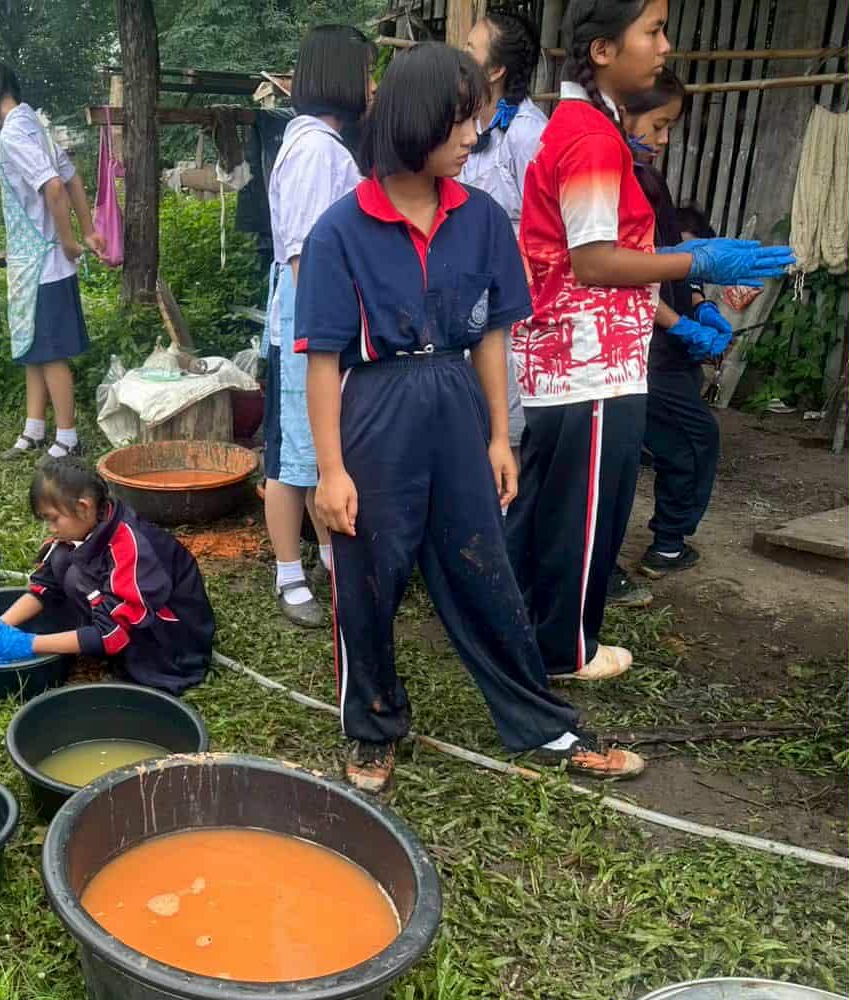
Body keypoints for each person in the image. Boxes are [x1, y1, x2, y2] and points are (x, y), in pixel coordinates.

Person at [295, 43, 635, 793]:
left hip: (455, 400)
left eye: (476, 120)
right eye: (459, 121)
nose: (473, 137)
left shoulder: (480, 217)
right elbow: (321, 361)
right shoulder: (339, 230)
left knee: (484, 569)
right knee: (367, 577)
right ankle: (373, 725)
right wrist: (330, 471)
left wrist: (498, 436)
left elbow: (491, 337)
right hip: (374, 407)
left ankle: (540, 723)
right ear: (415, 121)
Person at [505, 0, 793, 681]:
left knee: (552, 508)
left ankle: (515, 625)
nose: (665, 46)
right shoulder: (591, 138)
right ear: (603, 50)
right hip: (587, 359)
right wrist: (695, 261)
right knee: (585, 515)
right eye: (653, 30)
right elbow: (593, 261)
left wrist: (684, 276)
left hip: (573, 355)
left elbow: (591, 249)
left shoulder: (585, 127)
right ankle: (564, 651)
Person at [263, 23, 376, 629]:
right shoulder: (313, 150)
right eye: (366, 72)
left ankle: (333, 562)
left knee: (316, 450)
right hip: (307, 323)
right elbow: (305, 254)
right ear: (342, 76)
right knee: (292, 460)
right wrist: (325, 333)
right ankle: (289, 574)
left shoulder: (324, 144)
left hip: (320, 322)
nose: (372, 85)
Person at [0, 457, 215, 695]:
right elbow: (46, 586)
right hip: (126, 623)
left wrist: (29, 643)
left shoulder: (131, 546)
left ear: (83, 507)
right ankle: (92, 642)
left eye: (53, 519)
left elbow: (112, 633)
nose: (50, 528)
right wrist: (1, 624)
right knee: (63, 562)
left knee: (78, 578)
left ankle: (135, 662)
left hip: (174, 642)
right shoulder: (86, 526)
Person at [0, 59, 105, 459]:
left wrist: (70, 241)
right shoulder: (32, 123)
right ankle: (34, 429)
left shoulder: (13, 134)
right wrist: (88, 230)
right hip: (34, 263)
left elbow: (55, 185)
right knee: (33, 348)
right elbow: (72, 176)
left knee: (50, 353)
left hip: (44, 264)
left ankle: (67, 438)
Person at [620, 72, 728, 580]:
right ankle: (665, 544)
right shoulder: (622, 183)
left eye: (669, 128)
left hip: (667, 341)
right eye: (658, 125)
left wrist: (699, 304)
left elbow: (670, 260)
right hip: (647, 348)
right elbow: (631, 275)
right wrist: (680, 323)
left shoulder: (649, 180)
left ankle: (665, 541)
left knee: (677, 440)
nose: (663, 139)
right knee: (693, 437)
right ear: (625, 113)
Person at [460, 7, 547, 448]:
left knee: (505, 422)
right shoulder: (468, 124)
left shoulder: (528, 134)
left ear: (495, 70)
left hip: (513, 299)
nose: (461, 57)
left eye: (470, 49)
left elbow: (546, 225)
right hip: (466, 291)